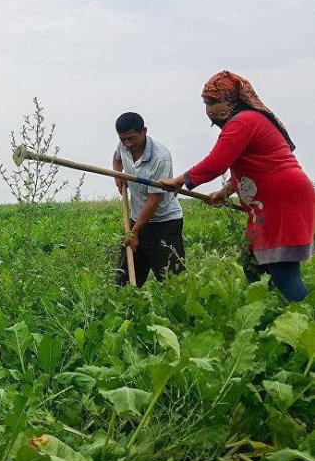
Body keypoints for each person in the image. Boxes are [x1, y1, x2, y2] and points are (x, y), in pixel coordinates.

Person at [161, 71, 314, 301]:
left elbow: (217, 163)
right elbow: (247, 166)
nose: (208, 109)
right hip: (268, 203)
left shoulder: (243, 121)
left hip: (283, 200)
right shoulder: (244, 121)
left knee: (283, 271)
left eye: (213, 102)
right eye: (205, 102)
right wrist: (225, 192)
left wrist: (179, 180)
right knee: (252, 265)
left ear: (232, 99)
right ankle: (271, 315)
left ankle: (305, 321)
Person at [113, 112, 185, 287]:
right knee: (124, 280)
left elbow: (154, 201)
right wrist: (118, 177)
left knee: (173, 282)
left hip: (164, 223)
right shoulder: (123, 146)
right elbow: (117, 159)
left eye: (131, 139)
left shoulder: (160, 158)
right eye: (123, 139)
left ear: (144, 131)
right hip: (137, 219)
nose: (128, 144)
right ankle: (127, 310)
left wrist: (134, 233)